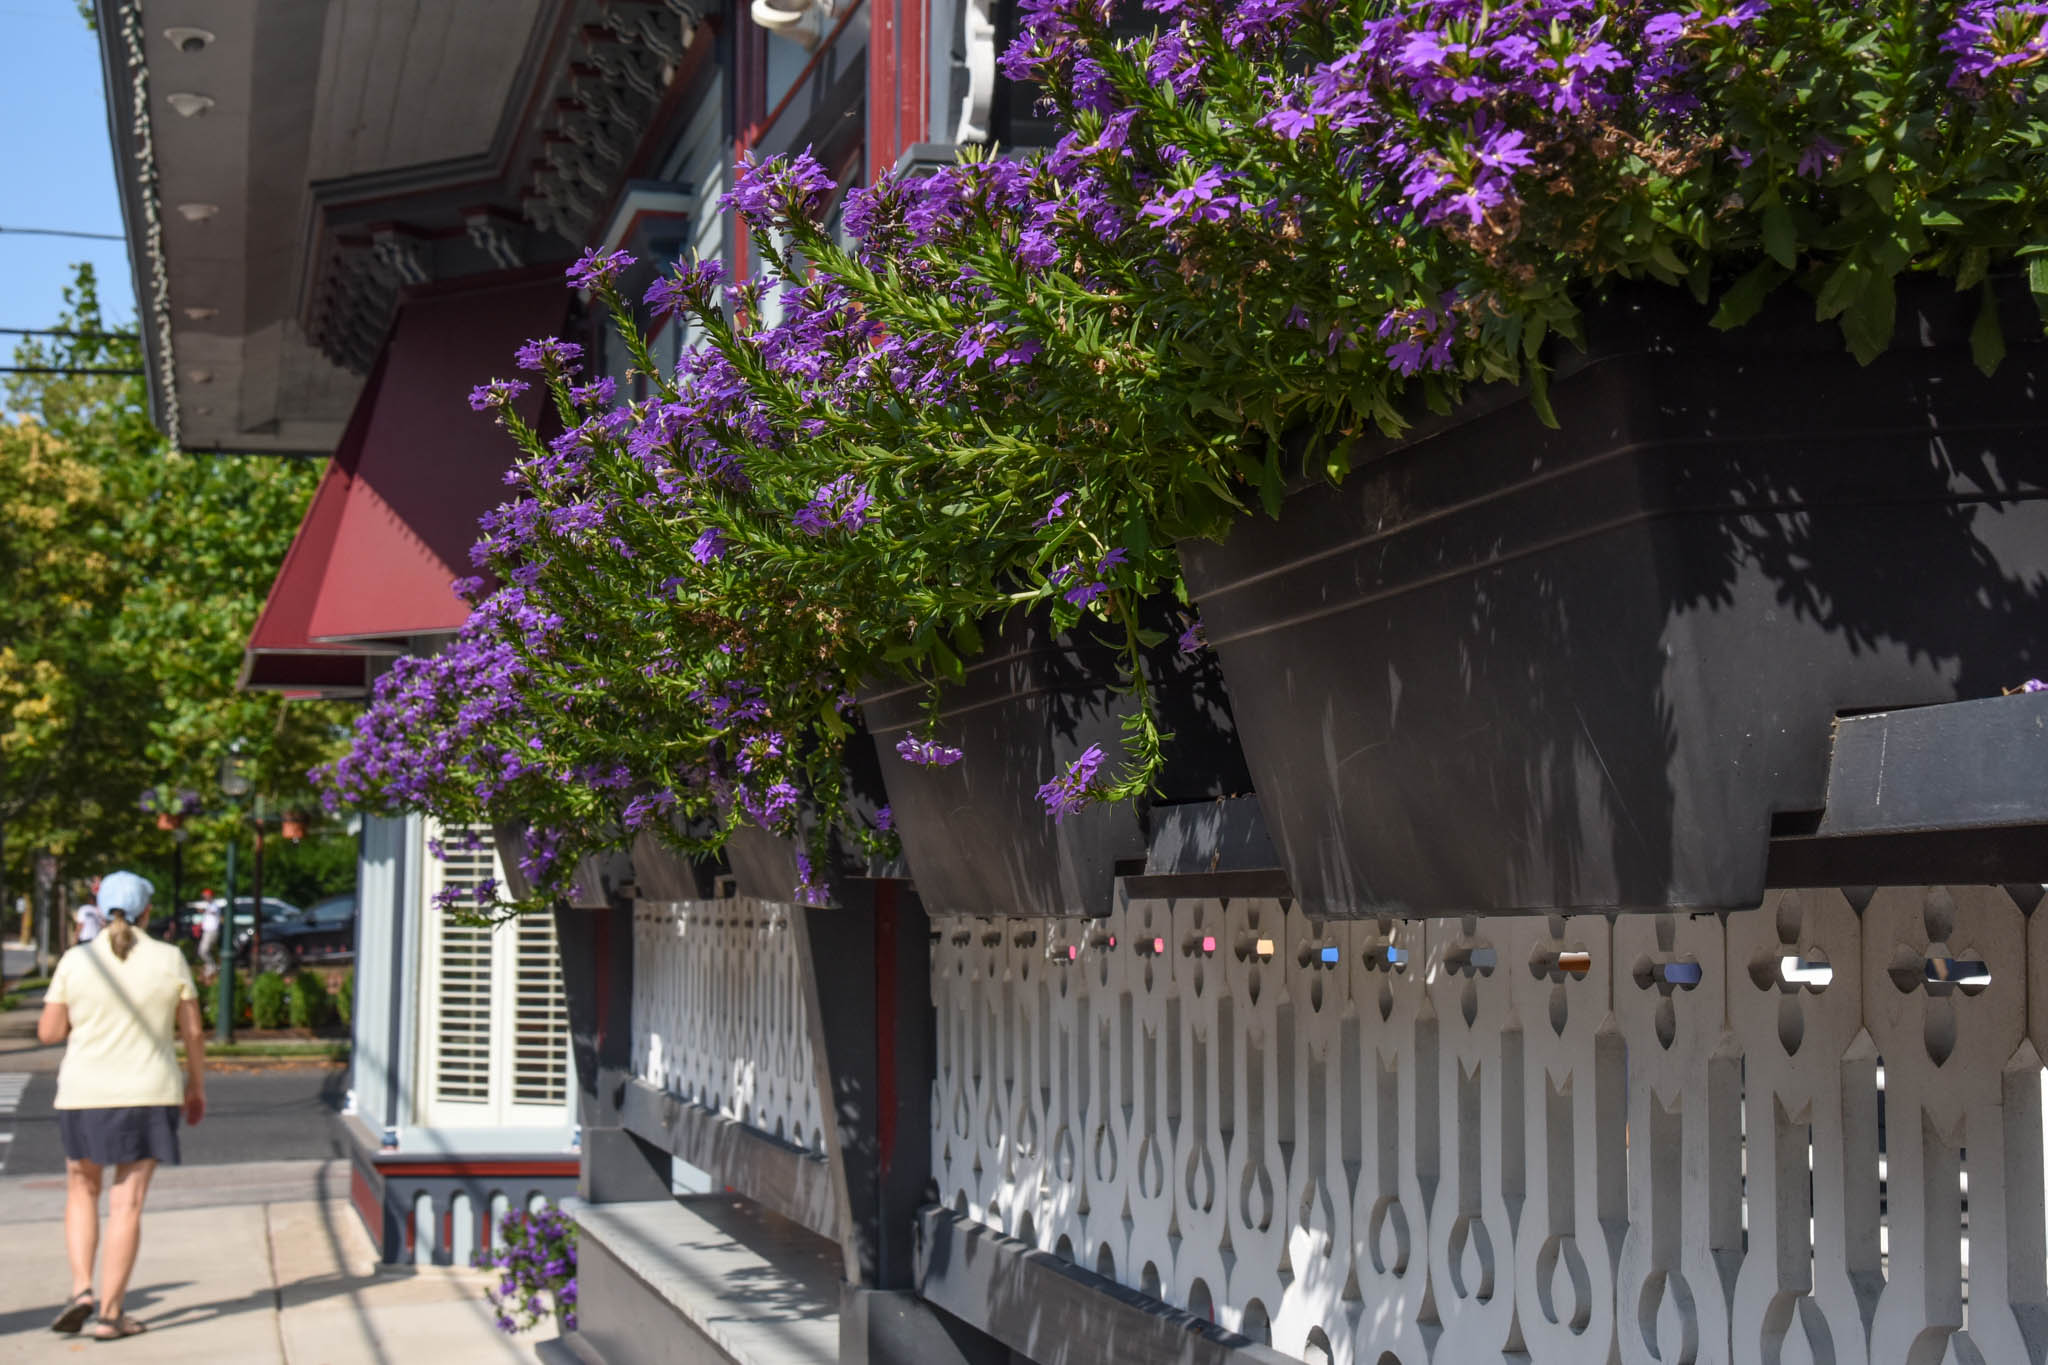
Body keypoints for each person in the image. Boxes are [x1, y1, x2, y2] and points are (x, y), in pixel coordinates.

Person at [36, 870, 206, 1342]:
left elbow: (49, 1033)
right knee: (126, 1203)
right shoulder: (170, 959)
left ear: (99, 908)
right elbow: (192, 1032)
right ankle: (111, 1316)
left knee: (81, 1189)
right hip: (150, 1091)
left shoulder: (76, 960)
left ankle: (81, 1291)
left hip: (84, 1093)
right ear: (147, 912)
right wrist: (196, 1086)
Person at [196, 897, 222, 978]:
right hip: (207, 932)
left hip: (212, 932)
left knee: (203, 951)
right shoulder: (208, 906)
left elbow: (213, 912)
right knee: (204, 951)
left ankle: (212, 967)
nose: (204, 897)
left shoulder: (214, 905)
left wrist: (203, 910)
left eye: (206, 896)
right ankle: (211, 967)